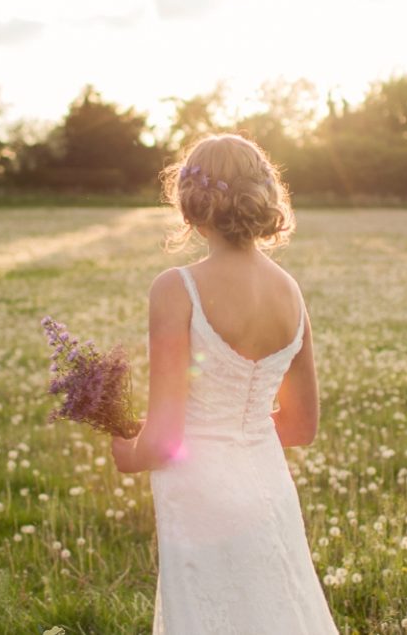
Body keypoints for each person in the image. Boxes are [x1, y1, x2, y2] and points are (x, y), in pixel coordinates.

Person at [110, 133, 340, 634]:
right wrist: (236, 431)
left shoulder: (176, 288)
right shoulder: (290, 292)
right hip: (269, 486)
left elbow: (164, 441)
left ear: (190, 204)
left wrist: (127, 450)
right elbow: (301, 426)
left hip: (200, 495)